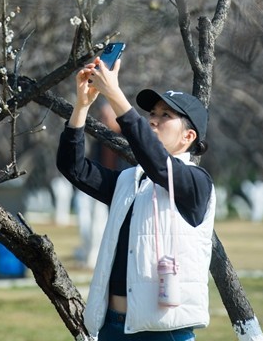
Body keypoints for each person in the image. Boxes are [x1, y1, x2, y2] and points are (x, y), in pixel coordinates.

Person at [56, 54, 216, 341]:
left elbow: (158, 164)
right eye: (152, 114)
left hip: (166, 332)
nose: (153, 121)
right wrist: (82, 106)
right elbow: (74, 167)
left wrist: (115, 94)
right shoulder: (130, 180)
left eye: (165, 116)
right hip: (114, 328)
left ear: (188, 136)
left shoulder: (197, 183)